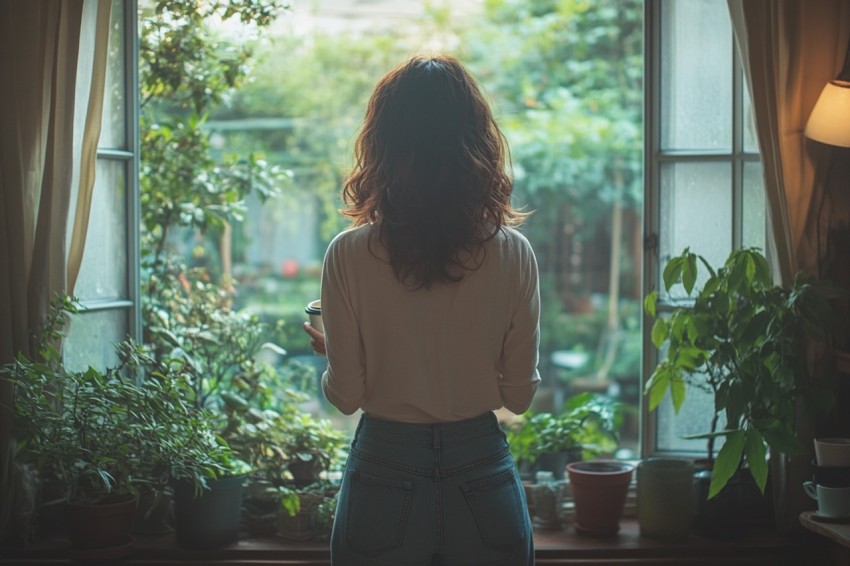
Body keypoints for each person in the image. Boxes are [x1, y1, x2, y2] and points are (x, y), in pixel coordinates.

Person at [303, 54, 541, 566]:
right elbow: (518, 397)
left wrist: (339, 353)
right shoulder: (513, 252)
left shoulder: (347, 253)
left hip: (383, 468)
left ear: (381, 144)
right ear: (478, 142)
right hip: (482, 471)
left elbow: (346, 397)